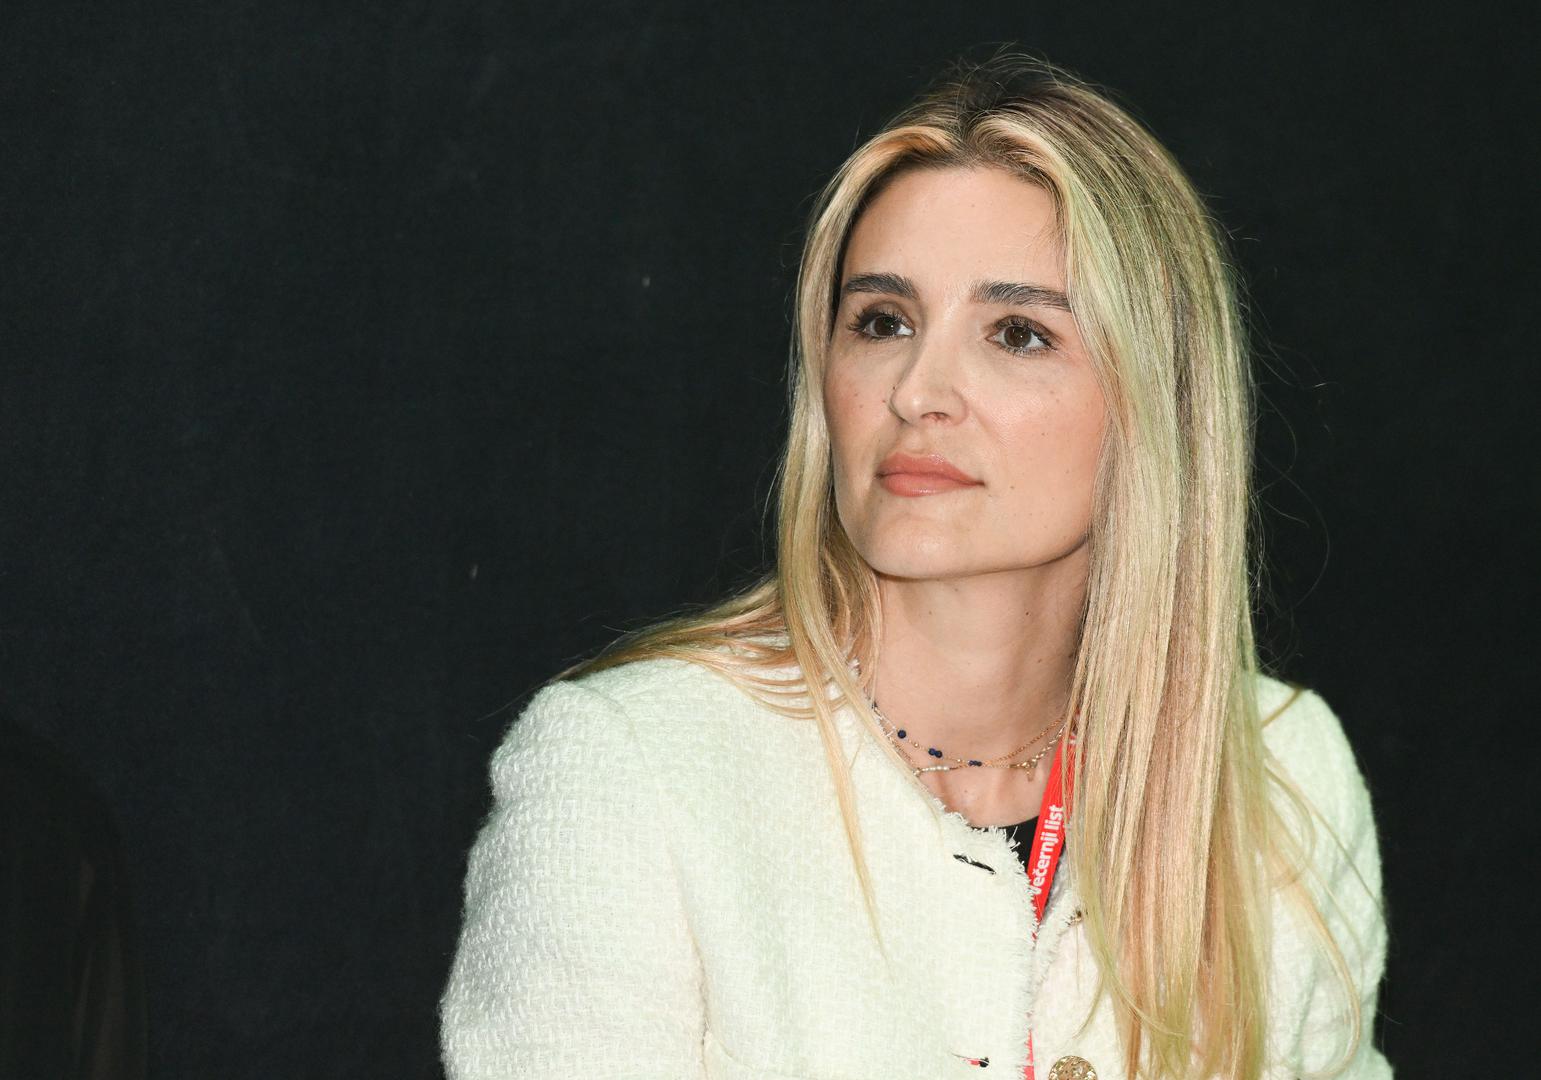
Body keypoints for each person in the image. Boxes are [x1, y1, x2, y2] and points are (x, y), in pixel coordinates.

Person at [438, 50, 1391, 1080]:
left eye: (1016, 333)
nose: (915, 391)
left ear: (1155, 404)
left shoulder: (1280, 775)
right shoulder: (632, 771)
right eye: (882, 322)